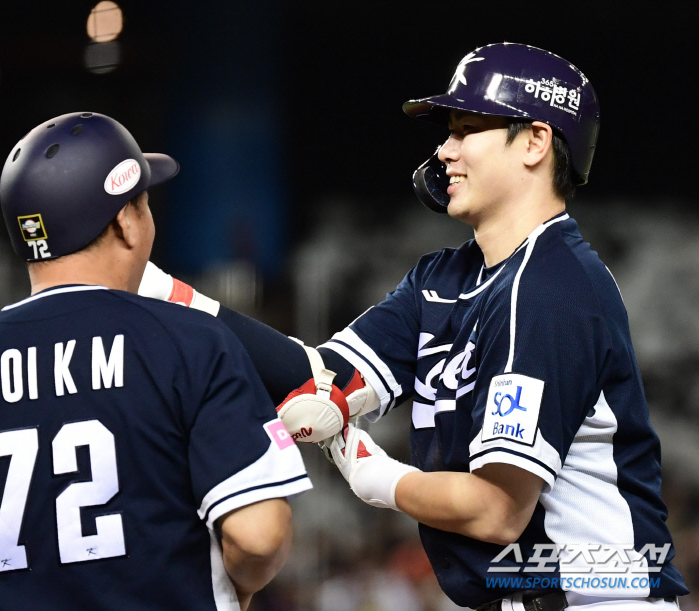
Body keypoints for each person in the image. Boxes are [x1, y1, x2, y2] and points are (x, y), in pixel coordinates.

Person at [139, 44, 688, 610]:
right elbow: (325, 375)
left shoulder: (553, 287)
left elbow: (498, 511)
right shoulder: (443, 278)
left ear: (535, 141)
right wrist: (158, 291)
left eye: (467, 128)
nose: (444, 151)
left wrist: (379, 477)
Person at [0, 112, 311, 611]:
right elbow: (259, 536)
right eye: (143, 204)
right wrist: (240, 589)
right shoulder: (188, 338)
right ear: (125, 220)